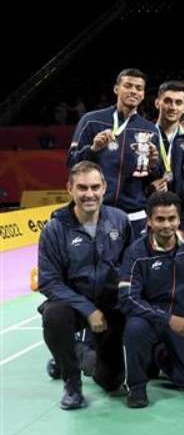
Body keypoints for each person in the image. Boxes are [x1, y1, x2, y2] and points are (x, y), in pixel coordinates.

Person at [38, 161, 132, 409]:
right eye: (82, 188)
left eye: (94, 187)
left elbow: (131, 266)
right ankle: (71, 382)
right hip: (73, 306)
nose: (89, 194)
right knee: (54, 315)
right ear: (69, 189)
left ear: (104, 188)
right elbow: (48, 281)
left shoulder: (120, 220)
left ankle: (76, 354)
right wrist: (88, 310)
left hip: (110, 306)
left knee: (110, 382)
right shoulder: (55, 229)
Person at [119, 192, 184, 408]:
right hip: (149, 320)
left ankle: (159, 355)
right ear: (149, 221)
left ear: (179, 219)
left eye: (172, 218)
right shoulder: (136, 253)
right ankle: (136, 387)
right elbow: (127, 298)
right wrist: (168, 319)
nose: (167, 225)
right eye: (160, 219)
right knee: (134, 328)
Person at [67, 68, 160, 236]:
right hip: (96, 211)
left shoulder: (150, 129)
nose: (133, 91)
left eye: (139, 88)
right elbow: (72, 163)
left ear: (143, 94)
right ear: (116, 89)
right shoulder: (91, 120)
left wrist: (154, 165)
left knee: (132, 262)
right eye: (128, 85)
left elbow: (153, 179)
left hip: (134, 214)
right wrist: (93, 149)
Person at [151, 81, 184, 233]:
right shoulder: (144, 136)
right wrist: (148, 187)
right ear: (157, 103)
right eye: (167, 101)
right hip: (152, 214)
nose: (173, 107)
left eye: (178, 102)